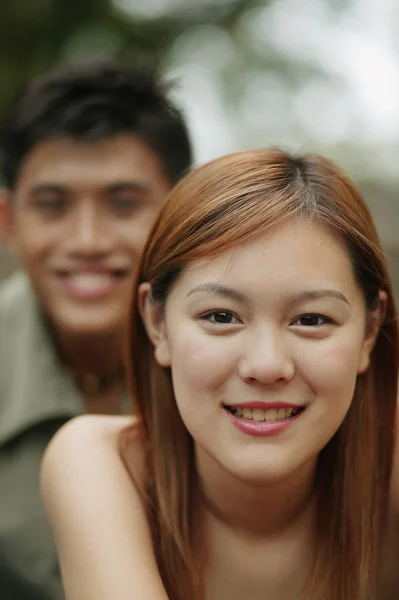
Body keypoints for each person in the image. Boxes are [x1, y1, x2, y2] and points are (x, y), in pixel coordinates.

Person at [41, 149, 399, 600]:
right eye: (221, 315)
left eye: (311, 319)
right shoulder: (101, 461)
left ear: (369, 331)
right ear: (157, 324)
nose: (267, 365)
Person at [0, 59, 192, 599]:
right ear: (9, 221)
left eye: (124, 203)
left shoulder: (252, 365)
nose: (87, 240)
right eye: (52, 205)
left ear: (183, 213)